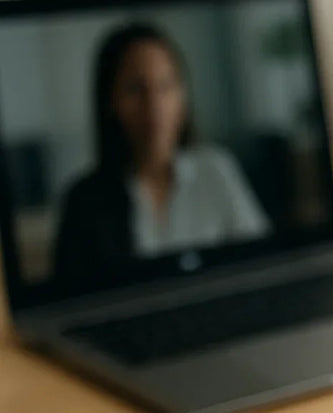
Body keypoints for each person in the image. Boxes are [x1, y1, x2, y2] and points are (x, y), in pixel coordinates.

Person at [53, 23, 270, 283]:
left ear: (182, 95)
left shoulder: (216, 169)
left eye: (165, 85)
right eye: (135, 89)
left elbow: (264, 262)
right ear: (110, 100)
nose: (153, 105)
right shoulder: (84, 201)